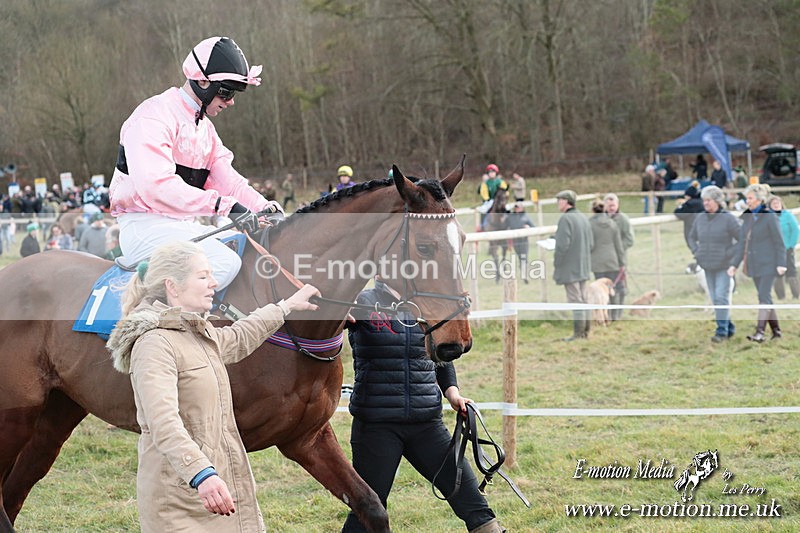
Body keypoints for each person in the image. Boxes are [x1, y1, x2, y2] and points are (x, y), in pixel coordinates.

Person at [107, 241, 320, 533]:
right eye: (203, 276)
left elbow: (237, 337)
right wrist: (201, 475)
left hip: (215, 489)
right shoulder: (154, 344)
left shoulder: (194, 333)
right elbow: (163, 423)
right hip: (182, 498)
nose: (214, 283)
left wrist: (286, 307)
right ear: (173, 286)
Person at [109, 36, 281, 290]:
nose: (231, 101)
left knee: (248, 254)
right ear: (202, 81)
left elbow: (230, 183)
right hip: (143, 227)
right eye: (227, 91)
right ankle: (157, 325)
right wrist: (222, 206)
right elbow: (156, 187)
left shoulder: (206, 131)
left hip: (181, 227)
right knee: (224, 262)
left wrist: (265, 207)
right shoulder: (153, 116)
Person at [341, 278, 503, 533]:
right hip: (377, 426)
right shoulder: (363, 301)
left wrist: (453, 394)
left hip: (427, 424)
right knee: (369, 511)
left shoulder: (428, 303)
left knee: (472, 501)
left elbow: (443, 356)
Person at [729, 185, 786, 342]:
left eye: (750, 198)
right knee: (765, 297)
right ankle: (776, 331)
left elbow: (779, 242)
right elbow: (742, 243)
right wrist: (734, 264)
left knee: (763, 296)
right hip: (754, 264)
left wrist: (781, 263)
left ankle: (759, 332)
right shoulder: (747, 218)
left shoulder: (769, 216)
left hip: (769, 263)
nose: (747, 201)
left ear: (760, 200)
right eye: (746, 198)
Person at [687, 186, 741, 342]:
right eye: (704, 200)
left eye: (709, 200)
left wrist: (728, 254)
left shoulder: (728, 219)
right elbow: (691, 237)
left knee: (721, 297)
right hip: (707, 264)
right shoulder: (700, 218)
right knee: (715, 298)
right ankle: (729, 327)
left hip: (724, 265)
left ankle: (721, 331)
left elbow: (741, 239)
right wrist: (696, 251)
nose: (706, 203)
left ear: (717, 201)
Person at [553, 190, 593, 341]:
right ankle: (586, 331)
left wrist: (557, 263)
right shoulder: (583, 217)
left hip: (570, 267)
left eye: (560, 200)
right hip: (583, 265)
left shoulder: (566, 219)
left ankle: (578, 333)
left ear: (566, 201)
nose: (558, 203)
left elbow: (562, 246)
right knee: (584, 298)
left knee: (575, 300)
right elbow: (590, 242)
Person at [604, 193, 634, 321]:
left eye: (613, 205)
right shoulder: (600, 219)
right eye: (609, 205)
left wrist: (617, 249)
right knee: (605, 288)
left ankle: (618, 314)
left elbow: (629, 239)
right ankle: (608, 314)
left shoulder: (623, 220)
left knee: (620, 288)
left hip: (618, 260)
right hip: (603, 261)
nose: (611, 208)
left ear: (618, 205)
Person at [589, 198, 624, 294]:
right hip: (612, 261)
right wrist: (622, 263)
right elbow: (619, 246)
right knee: (614, 289)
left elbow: (590, 245)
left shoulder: (589, 224)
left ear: (592, 210)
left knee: (601, 290)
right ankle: (616, 309)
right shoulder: (613, 224)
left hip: (597, 263)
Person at [769, 195, 800, 300]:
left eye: (778, 203)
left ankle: (796, 294)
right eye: (774, 204)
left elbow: (795, 230)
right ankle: (780, 295)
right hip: (774, 249)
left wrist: (791, 244)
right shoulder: (769, 217)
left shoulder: (787, 215)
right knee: (777, 272)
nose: (776, 205)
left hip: (787, 247)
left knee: (791, 271)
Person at [506, 201, 534, 283]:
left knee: (524, 257)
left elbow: (533, 227)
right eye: (516, 207)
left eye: (518, 207)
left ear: (522, 208)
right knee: (520, 257)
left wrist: (528, 227)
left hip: (524, 240)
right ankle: (523, 272)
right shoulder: (511, 217)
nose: (517, 209)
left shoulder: (526, 217)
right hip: (515, 240)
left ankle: (525, 275)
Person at [673, 182, 705, 250]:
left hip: (692, 230)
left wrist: (680, 206)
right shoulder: (702, 202)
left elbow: (678, 213)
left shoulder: (689, 204)